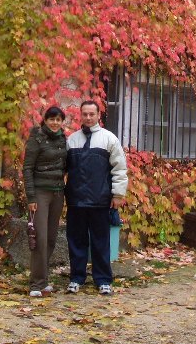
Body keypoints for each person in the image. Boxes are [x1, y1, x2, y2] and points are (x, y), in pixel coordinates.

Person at [65, 100, 128, 295]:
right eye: (85, 114)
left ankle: (103, 280)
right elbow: (63, 169)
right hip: (76, 200)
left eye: (92, 114)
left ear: (98, 115)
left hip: (100, 200)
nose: (88, 117)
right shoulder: (72, 140)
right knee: (76, 241)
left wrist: (118, 194)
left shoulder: (109, 139)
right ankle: (76, 278)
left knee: (101, 241)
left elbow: (119, 168)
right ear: (80, 115)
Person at [23, 105, 67, 297]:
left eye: (58, 119)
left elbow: (65, 165)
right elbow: (27, 169)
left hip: (58, 193)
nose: (55, 123)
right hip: (40, 193)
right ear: (45, 120)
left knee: (50, 238)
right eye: (52, 119)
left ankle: (43, 280)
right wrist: (31, 197)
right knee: (39, 238)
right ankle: (36, 284)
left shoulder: (63, 139)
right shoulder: (37, 138)